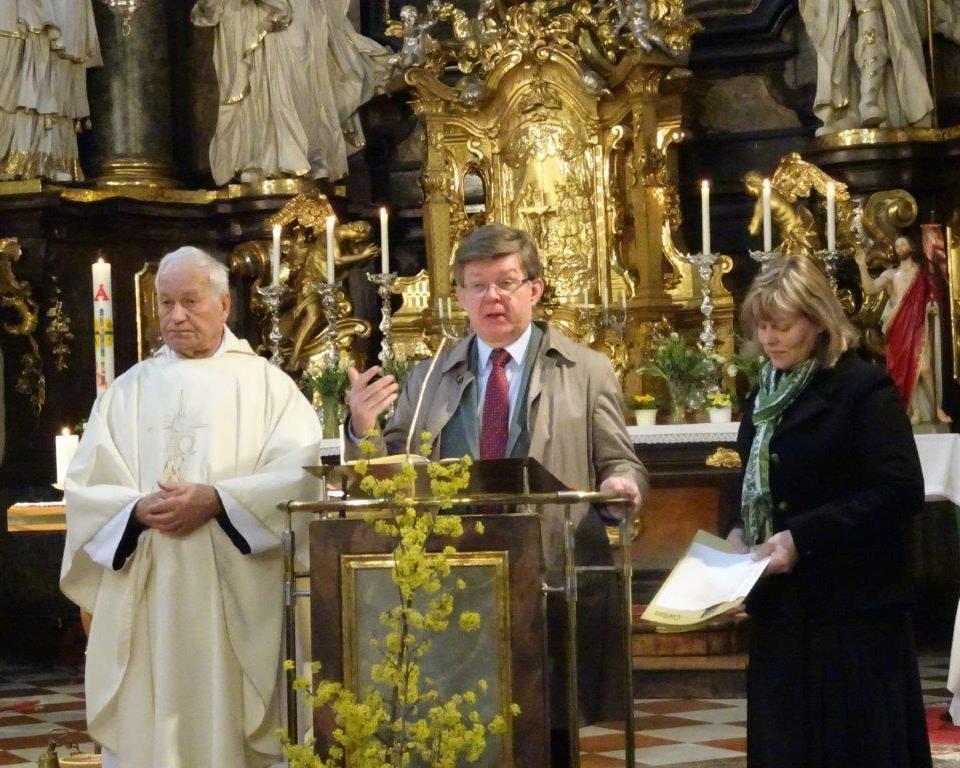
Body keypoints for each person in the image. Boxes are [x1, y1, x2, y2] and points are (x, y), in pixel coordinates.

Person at [344, 222, 647, 763]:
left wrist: (620, 485)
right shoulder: (429, 376)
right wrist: (363, 428)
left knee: (547, 727)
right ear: (459, 296)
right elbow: (390, 466)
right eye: (477, 285)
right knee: (460, 723)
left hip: (550, 568)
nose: (493, 298)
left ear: (534, 288)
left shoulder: (586, 370)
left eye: (506, 283)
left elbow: (620, 460)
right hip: (453, 573)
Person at [60, 247, 322, 768]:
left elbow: (301, 475)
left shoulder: (268, 386)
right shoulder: (127, 391)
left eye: (190, 301)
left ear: (224, 304)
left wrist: (219, 500)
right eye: (165, 303)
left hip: (234, 593)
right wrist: (135, 510)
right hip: (148, 592)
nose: (176, 316)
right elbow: (87, 487)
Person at [728, 254, 930, 768]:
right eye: (762, 326)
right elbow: (751, 481)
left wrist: (801, 537)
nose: (769, 339)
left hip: (852, 614)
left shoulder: (862, 388)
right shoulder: (764, 394)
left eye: (782, 325)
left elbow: (900, 490)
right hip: (783, 614)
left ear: (817, 321)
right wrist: (736, 533)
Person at [191, 0, 391, 186]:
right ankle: (261, 159)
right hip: (249, 13)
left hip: (294, 11)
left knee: (296, 78)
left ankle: (305, 157)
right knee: (259, 80)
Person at [855, 235, 951, 424]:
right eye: (897, 245)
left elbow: (934, 294)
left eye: (903, 244)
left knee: (925, 369)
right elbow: (870, 289)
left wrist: (932, 305)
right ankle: (914, 411)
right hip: (898, 325)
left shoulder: (922, 272)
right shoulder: (891, 274)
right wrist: (861, 266)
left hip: (918, 325)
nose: (899, 248)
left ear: (911, 247)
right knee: (904, 368)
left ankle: (937, 409)